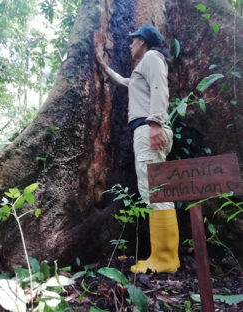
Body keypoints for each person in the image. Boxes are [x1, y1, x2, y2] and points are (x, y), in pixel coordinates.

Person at [96, 25, 180, 273]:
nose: (130, 44)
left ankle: (164, 259)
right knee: (154, 190)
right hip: (145, 129)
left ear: (143, 41)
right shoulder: (143, 66)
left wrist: (154, 123)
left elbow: (159, 88)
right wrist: (104, 68)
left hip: (148, 128)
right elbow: (126, 82)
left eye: (134, 41)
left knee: (154, 192)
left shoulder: (153, 58)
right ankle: (164, 256)